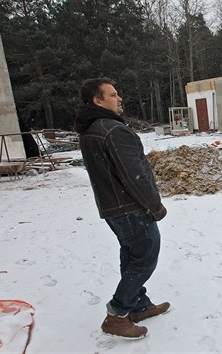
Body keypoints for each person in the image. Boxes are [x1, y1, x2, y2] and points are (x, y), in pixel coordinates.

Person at [74, 78, 170, 339]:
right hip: (130, 208)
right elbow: (135, 176)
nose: (119, 99)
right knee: (145, 258)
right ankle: (117, 315)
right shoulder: (113, 130)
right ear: (98, 100)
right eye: (113, 95)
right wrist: (155, 207)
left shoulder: (91, 130)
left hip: (112, 208)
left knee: (131, 255)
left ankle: (137, 305)